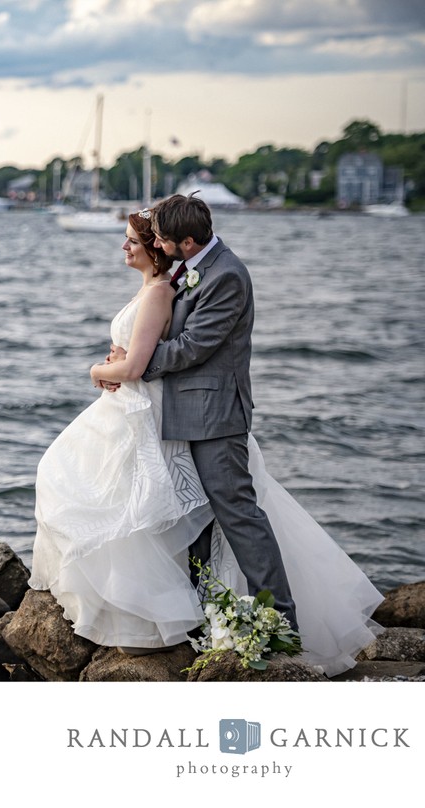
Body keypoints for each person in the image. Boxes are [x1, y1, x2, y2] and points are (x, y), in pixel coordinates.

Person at [28, 206, 383, 675]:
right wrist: (129, 361)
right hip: (176, 413)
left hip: (215, 415)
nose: (153, 245)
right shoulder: (190, 271)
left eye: (159, 239)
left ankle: (280, 624)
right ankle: (208, 617)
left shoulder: (226, 276)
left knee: (239, 516)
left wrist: (130, 364)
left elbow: (196, 344)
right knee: (193, 521)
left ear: (187, 243)